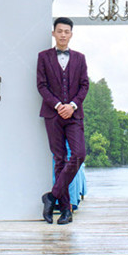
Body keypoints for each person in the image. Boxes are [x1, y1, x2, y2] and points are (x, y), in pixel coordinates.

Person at [37, 16, 89, 225]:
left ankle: (51, 196)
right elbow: (41, 85)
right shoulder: (43, 57)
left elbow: (84, 85)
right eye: (59, 31)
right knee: (59, 159)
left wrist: (72, 105)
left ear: (71, 34)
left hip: (74, 115)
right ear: (53, 33)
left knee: (78, 154)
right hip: (53, 114)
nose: (63, 35)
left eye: (67, 32)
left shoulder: (80, 58)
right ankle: (66, 211)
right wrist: (58, 105)